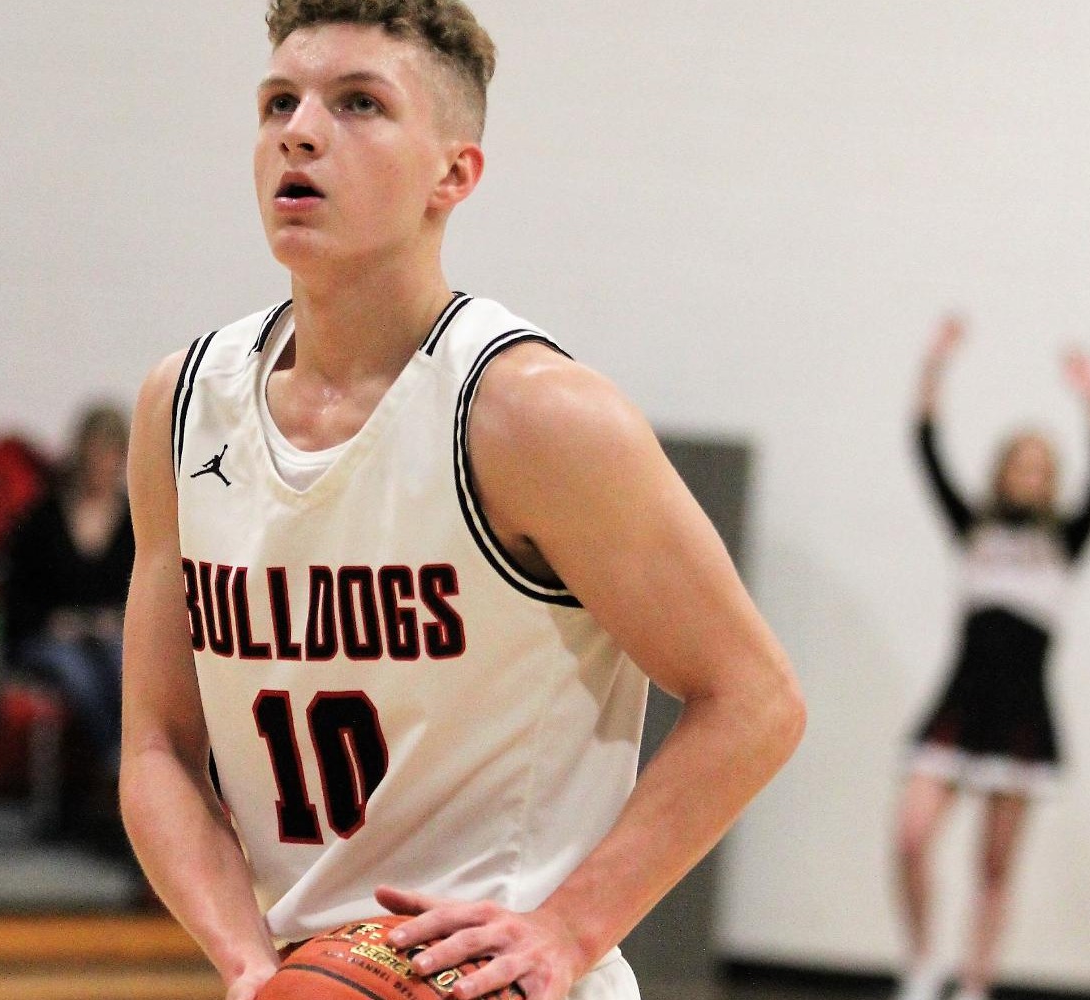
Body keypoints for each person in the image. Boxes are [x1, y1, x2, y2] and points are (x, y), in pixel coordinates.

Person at [119, 4, 806, 999]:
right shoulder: (180, 407)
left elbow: (756, 700)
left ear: (455, 173)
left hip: (497, 980)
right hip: (303, 970)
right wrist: (247, 964)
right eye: (279, 103)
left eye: (359, 104)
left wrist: (568, 928)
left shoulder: (532, 416)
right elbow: (158, 749)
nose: (299, 132)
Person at [893, 315, 1090, 1000]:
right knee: (911, 835)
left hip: (1022, 714)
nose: (1030, 475)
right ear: (1003, 471)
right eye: (1021, 463)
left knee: (994, 866)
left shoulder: (1065, 541)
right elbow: (926, 449)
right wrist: (935, 367)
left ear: (1053, 481)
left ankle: (976, 983)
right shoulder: (976, 529)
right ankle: (925, 964)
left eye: (1043, 468)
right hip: (960, 701)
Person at [5, 403, 133, 809]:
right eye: (96, 454)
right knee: (75, 671)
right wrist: (55, 621)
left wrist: (114, 620)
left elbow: (144, 595)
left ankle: (127, 765)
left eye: (112, 455)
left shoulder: (136, 521)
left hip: (109, 635)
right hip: (47, 636)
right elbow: (16, 597)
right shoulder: (42, 519)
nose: (102, 465)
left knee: (122, 664)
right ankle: (117, 764)